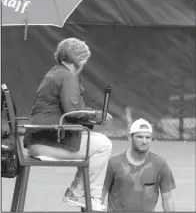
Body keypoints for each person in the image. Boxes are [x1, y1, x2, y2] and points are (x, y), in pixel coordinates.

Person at [23, 38, 112, 211]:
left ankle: (77, 192)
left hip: (38, 140)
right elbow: (73, 112)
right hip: (45, 143)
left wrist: (92, 116)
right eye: (85, 60)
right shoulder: (67, 76)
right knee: (103, 146)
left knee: (99, 140)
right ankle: (83, 195)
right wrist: (97, 115)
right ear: (80, 59)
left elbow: (69, 110)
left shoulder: (55, 72)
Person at [102, 118, 176, 212]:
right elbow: (100, 194)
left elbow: (167, 199)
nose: (144, 141)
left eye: (148, 137)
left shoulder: (160, 164)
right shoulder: (113, 163)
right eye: (140, 137)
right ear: (130, 137)